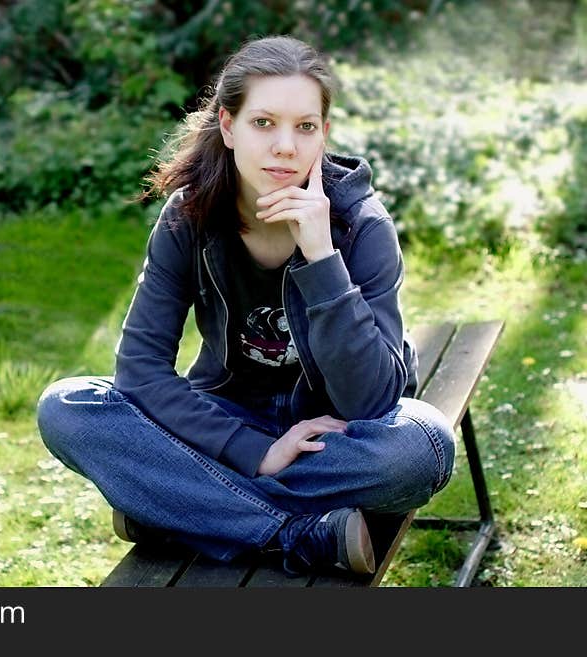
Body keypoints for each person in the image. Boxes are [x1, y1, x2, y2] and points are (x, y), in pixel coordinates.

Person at [36, 35, 455, 576]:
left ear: (324, 135)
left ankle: (178, 507)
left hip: (336, 434)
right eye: (264, 123)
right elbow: (141, 372)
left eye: (305, 127)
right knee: (67, 407)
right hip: (229, 414)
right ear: (228, 126)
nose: (286, 146)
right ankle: (293, 535)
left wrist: (321, 257)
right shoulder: (188, 218)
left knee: (422, 447)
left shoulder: (361, 226)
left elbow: (371, 402)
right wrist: (254, 450)